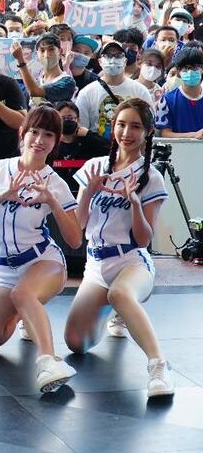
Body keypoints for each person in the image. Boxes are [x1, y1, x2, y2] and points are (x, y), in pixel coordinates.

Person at [0, 105, 82, 393]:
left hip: (42, 261)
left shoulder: (55, 182)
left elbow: (75, 240)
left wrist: (52, 201)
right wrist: (0, 196)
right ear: (22, 133)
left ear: (56, 141)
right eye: (34, 132)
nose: (39, 140)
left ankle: (49, 362)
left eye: (48, 135)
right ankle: (23, 313)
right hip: (3, 270)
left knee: (23, 294)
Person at [65, 99, 174, 398]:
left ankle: (159, 365)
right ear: (113, 127)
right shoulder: (94, 167)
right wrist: (87, 192)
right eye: (121, 125)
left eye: (135, 126)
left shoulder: (151, 177)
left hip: (131, 261)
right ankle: (117, 309)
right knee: (76, 342)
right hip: (95, 265)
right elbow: (79, 226)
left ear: (148, 132)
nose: (127, 133)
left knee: (120, 293)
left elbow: (143, 240)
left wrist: (135, 204)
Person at [75, 40, 153, 139]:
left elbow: (148, 125)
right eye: (108, 56)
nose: (113, 59)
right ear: (100, 61)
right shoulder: (87, 93)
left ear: (125, 61)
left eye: (118, 56)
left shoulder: (140, 91)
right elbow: (81, 129)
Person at [11, 33, 77, 104]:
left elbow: (35, 92)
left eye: (51, 49)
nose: (46, 55)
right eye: (42, 50)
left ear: (60, 52)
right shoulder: (38, 80)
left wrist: (20, 60)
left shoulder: (67, 82)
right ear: (37, 54)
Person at [156, 45, 203, 137]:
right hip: (177, 146)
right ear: (178, 71)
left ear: (202, 69)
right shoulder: (167, 100)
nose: (190, 71)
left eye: (195, 67)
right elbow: (165, 134)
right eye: (186, 68)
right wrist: (194, 135)